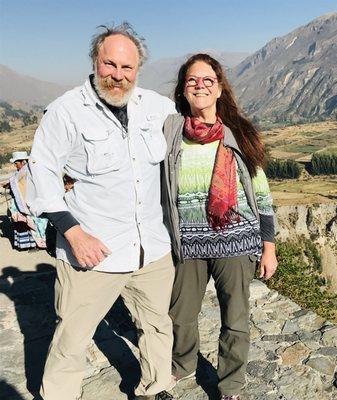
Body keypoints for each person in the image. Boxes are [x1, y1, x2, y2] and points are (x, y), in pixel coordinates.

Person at [26, 22, 177, 400]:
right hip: (92, 250)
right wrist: (72, 233)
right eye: (110, 65)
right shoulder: (66, 111)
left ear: (138, 69)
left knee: (157, 325)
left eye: (127, 68)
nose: (118, 75)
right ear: (95, 61)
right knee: (73, 334)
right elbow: (41, 172)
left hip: (152, 248)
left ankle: (156, 387)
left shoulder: (158, 108)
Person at [161, 54, 278, 400]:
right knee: (180, 314)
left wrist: (268, 245)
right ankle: (182, 365)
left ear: (219, 88)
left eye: (207, 80)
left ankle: (230, 386)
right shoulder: (170, 133)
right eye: (192, 81)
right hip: (188, 244)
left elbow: (261, 192)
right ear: (183, 90)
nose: (200, 86)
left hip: (236, 242)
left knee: (235, 318)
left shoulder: (238, 133)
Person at [6, 151, 48, 250]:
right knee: (31, 222)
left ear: (22, 161)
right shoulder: (21, 172)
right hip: (25, 203)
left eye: (16, 163)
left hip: (33, 201)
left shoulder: (28, 171)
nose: (16, 166)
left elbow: (17, 182)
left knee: (38, 222)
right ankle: (35, 243)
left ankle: (42, 243)